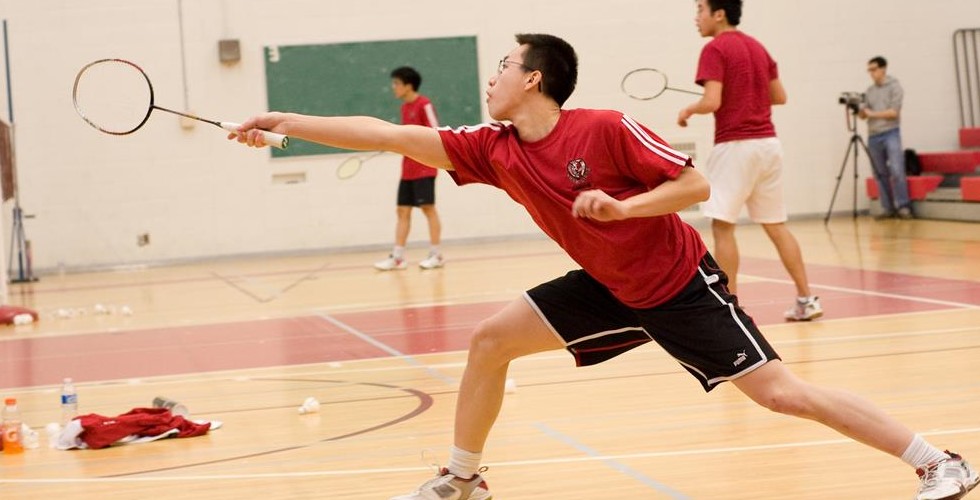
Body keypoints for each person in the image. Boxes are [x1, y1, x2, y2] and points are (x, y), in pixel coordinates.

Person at [231, 33, 977, 500]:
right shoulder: (492, 147)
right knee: (491, 340)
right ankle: (463, 478)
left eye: (502, 66)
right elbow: (387, 135)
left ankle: (936, 462)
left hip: (678, 285)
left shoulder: (605, 128)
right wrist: (288, 124)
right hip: (608, 286)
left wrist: (623, 209)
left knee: (780, 394)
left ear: (535, 79)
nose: (490, 78)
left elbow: (693, 185)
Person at [677, 0, 822, 322]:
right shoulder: (758, 47)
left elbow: (712, 101)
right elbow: (779, 96)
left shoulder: (715, 49)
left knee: (723, 226)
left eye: (700, 9)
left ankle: (728, 307)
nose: (695, 17)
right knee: (776, 226)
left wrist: (690, 109)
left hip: (736, 146)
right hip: (769, 146)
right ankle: (806, 299)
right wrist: (748, 91)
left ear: (719, 14)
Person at [373, 66, 445, 271]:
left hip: (425, 167)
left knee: (428, 209)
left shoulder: (425, 105)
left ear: (408, 85)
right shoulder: (404, 108)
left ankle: (436, 254)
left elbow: (436, 133)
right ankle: (398, 257)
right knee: (402, 211)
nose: (393, 87)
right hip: (408, 168)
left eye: (396, 83)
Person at [860, 55, 912, 220]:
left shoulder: (895, 87)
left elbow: (893, 113)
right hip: (873, 135)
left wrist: (872, 114)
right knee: (879, 173)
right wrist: (860, 110)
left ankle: (903, 206)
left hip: (891, 132)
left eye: (874, 69)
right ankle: (887, 207)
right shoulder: (869, 91)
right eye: (869, 70)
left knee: (897, 170)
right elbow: (864, 115)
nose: (871, 73)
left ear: (883, 69)